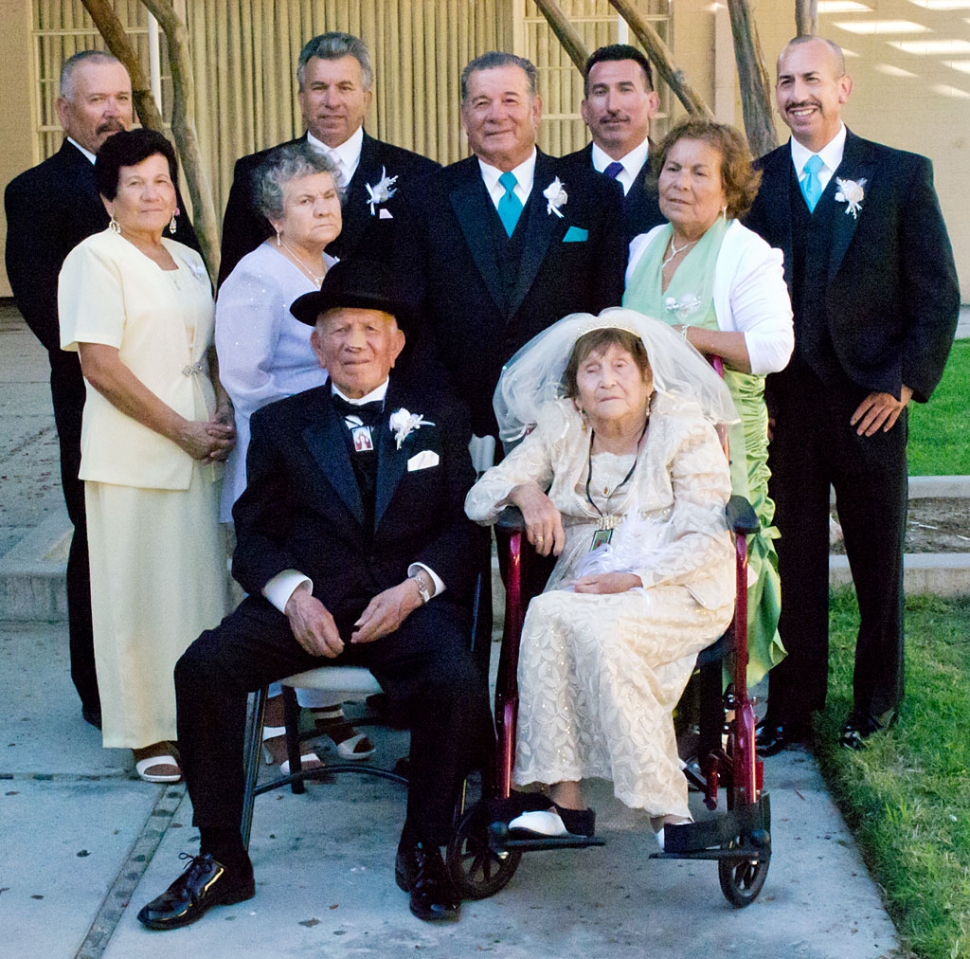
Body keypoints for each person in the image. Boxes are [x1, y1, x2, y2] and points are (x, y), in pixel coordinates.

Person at [137, 260, 492, 928]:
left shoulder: (439, 416)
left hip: (404, 604)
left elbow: (463, 528)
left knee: (456, 678)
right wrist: (294, 596)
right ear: (316, 345)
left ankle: (424, 844)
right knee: (203, 667)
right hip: (310, 605)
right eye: (339, 330)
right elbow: (254, 532)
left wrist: (417, 588)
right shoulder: (279, 425)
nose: (354, 342)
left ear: (396, 344)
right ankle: (220, 855)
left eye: (368, 329)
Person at [745, 37, 959, 754]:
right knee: (795, 559)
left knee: (877, 557)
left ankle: (876, 700)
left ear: (844, 88)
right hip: (789, 409)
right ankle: (793, 705)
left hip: (870, 400)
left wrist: (903, 383)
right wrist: (756, 400)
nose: (797, 92)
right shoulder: (757, 183)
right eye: (785, 81)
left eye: (811, 78)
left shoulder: (899, 175)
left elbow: (937, 296)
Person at [465, 310, 737, 843]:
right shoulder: (564, 425)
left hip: (676, 580)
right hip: (588, 579)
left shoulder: (684, 429)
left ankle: (669, 814)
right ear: (576, 388)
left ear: (647, 378)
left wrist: (633, 580)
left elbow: (706, 537)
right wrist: (524, 491)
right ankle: (564, 799)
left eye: (619, 366)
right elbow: (479, 499)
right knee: (545, 611)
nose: (606, 379)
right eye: (591, 369)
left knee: (603, 631)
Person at [4, 51, 198, 729]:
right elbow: (46, 310)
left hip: (183, 404)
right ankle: (103, 692)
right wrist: (125, 375)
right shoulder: (35, 192)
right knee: (101, 548)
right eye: (96, 100)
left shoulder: (158, 181)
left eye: (121, 97)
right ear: (65, 110)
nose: (113, 110)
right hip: (97, 404)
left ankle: (179, 685)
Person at [57, 129, 233, 782]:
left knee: (192, 593)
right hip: (134, 450)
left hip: (197, 448)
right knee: (134, 595)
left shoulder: (186, 258)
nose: (152, 193)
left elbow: (208, 348)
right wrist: (178, 429)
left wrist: (217, 409)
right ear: (109, 197)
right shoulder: (95, 259)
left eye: (162, 180)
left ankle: (195, 718)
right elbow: (100, 366)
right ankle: (145, 731)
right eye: (135, 183)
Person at [216, 141, 374, 768]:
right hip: (276, 457)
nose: (322, 209)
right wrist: (329, 400)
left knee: (330, 570)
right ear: (276, 217)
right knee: (283, 581)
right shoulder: (256, 275)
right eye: (305, 201)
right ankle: (275, 725)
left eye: (329, 196)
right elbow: (245, 380)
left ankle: (325, 712)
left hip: (332, 459)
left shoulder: (335, 266)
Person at [623, 117, 794, 684]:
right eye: (673, 168)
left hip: (718, 449)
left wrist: (682, 339)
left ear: (729, 188)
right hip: (640, 446)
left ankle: (712, 705)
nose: (682, 183)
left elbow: (774, 347)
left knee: (710, 565)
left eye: (701, 172)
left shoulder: (745, 254)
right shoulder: (644, 246)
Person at [395, 51, 626, 439]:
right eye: (481, 103)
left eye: (510, 100)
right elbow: (411, 317)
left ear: (536, 109)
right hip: (454, 418)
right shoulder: (425, 199)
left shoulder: (594, 195)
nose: (496, 114)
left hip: (564, 414)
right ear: (464, 115)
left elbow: (606, 309)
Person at [218, 31, 439, 285]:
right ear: (301, 99)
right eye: (319, 88)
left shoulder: (418, 175)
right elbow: (235, 281)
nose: (332, 101)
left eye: (344, 88)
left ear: (366, 99)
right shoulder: (256, 174)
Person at [562, 44, 665, 242]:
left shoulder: (675, 179)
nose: (612, 106)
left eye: (625, 90)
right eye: (600, 92)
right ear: (584, 109)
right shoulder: (558, 179)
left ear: (652, 104)